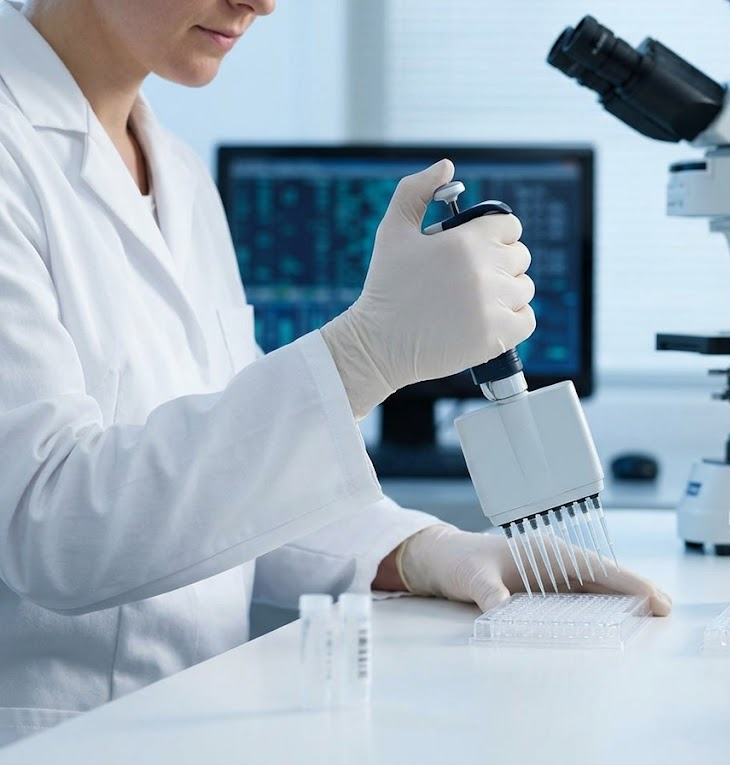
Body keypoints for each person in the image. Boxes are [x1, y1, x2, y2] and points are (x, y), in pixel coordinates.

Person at [0, 0, 672, 746]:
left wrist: (419, 551)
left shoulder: (179, 173)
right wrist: (363, 355)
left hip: (191, 725)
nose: (262, 2)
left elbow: (227, 490)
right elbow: (51, 526)